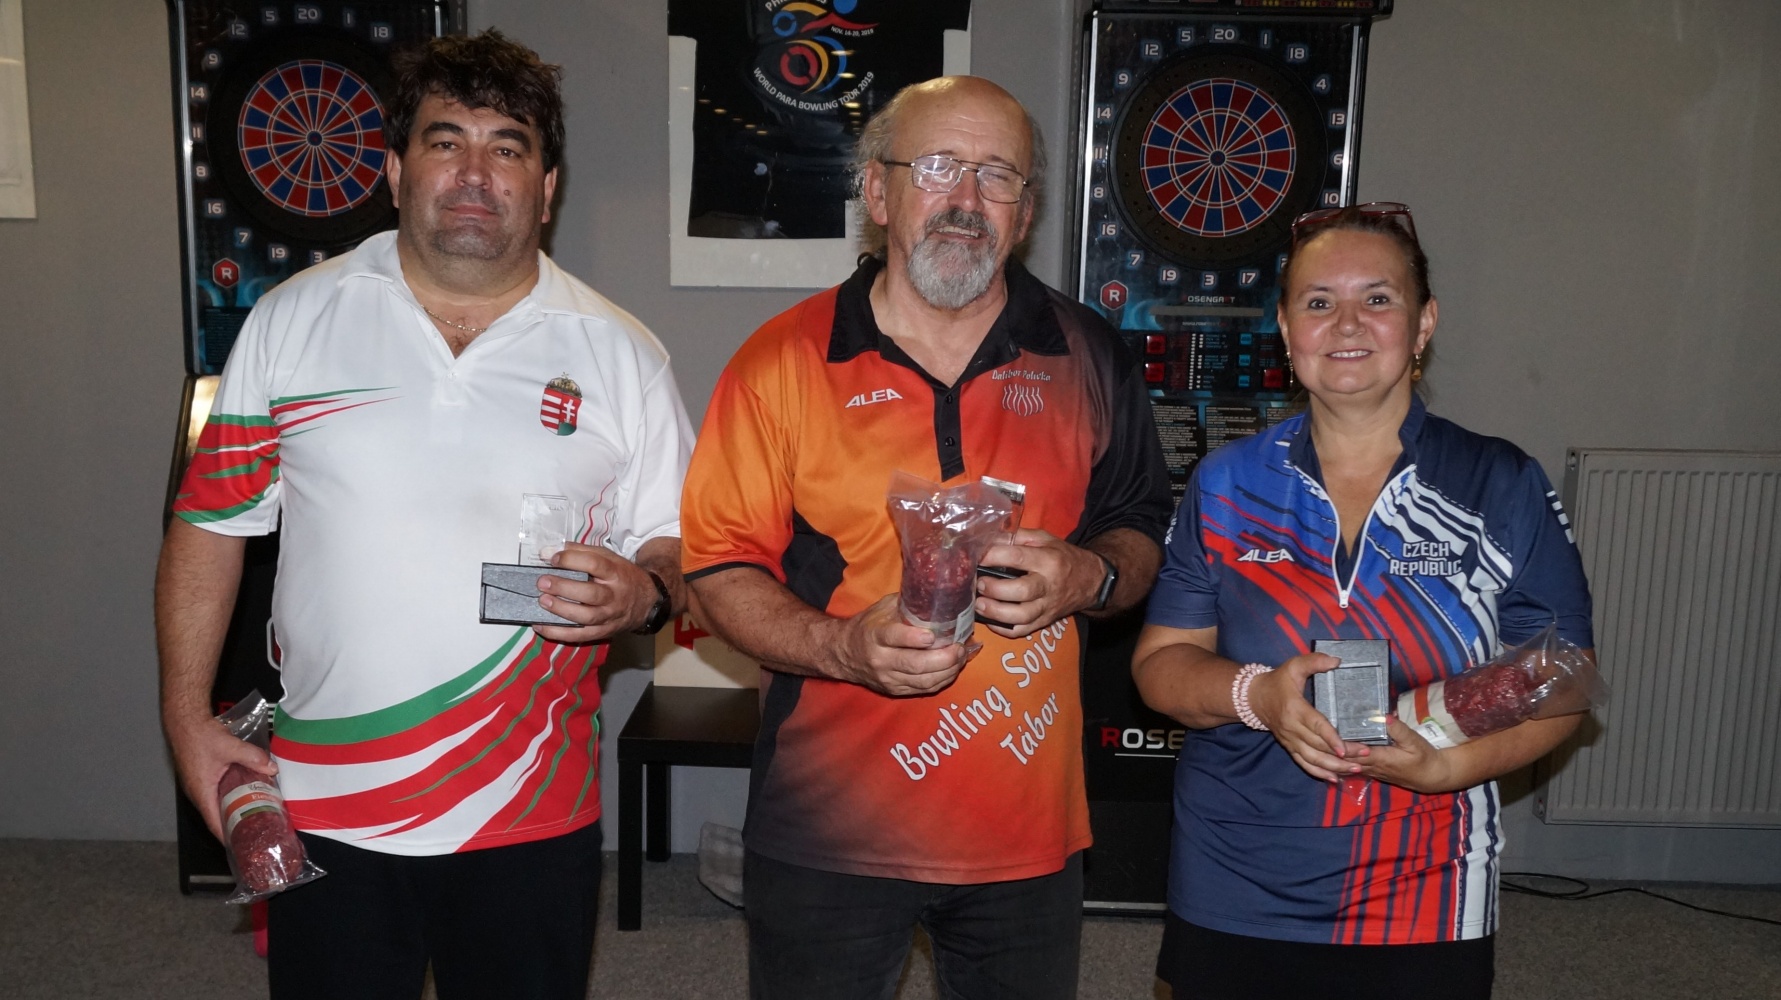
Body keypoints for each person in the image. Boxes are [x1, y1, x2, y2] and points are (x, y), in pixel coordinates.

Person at [156, 30, 694, 1000]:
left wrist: (644, 591)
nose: (475, 173)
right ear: (396, 171)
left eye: (507, 147)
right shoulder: (292, 320)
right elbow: (208, 527)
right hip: (329, 803)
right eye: (446, 141)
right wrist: (185, 718)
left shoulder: (622, 354)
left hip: (529, 806)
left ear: (547, 186)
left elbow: (679, 546)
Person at [679, 76, 1173, 1000]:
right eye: (939, 166)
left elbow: (1140, 527)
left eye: (997, 175)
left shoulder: (1089, 355)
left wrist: (1089, 576)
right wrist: (841, 647)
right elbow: (718, 568)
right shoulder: (780, 361)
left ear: (1025, 211)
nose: (966, 199)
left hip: (1025, 829)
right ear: (877, 191)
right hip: (828, 826)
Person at [1132, 203, 1596, 999]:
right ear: (1286, 329)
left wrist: (1444, 767)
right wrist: (1257, 696)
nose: (1346, 323)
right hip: (1234, 867)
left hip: (1425, 883)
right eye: (1318, 302)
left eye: (1377, 299)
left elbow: (1564, 682)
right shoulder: (1225, 483)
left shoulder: (1499, 482)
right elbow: (1161, 664)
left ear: (1423, 324)